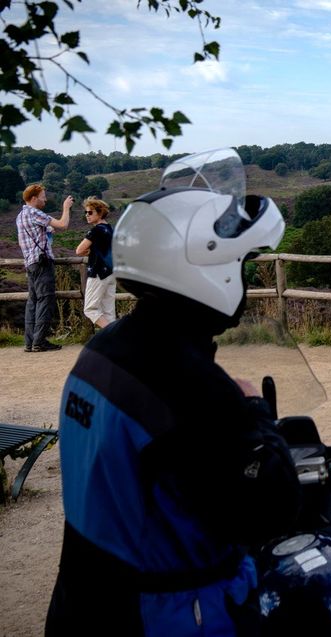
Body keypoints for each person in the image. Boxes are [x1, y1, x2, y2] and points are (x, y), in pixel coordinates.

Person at [46, 149, 300, 636]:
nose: (242, 277)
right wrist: (252, 412)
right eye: (240, 263)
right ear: (207, 270)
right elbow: (270, 508)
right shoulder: (191, 386)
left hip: (82, 601)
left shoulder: (104, 348)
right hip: (166, 615)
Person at [16, 184, 72, 352]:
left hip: (30, 264)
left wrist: (47, 230)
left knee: (32, 302)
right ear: (34, 198)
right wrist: (66, 208)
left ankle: (30, 341)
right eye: (43, 196)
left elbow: (41, 230)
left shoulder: (21, 215)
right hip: (42, 263)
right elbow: (63, 225)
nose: (45, 199)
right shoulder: (35, 212)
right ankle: (39, 342)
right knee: (45, 300)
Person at [75, 197, 117, 328]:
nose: (87, 215)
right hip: (111, 273)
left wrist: (89, 251)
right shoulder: (110, 229)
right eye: (86, 212)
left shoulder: (96, 230)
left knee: (90, 309)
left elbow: (79, 250)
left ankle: (113, 335)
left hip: (98, 272)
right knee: (108, 311)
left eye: (90, 212)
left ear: (100, 212)